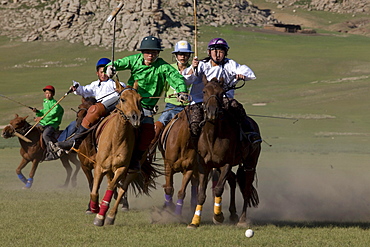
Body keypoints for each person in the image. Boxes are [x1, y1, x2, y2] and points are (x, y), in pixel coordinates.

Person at [104, 35, 189, 170]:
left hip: (146, 106)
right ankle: (77, 139)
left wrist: (182, 91)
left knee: (149, 131)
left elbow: (176, 77)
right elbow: (119, 63)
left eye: (154, 52)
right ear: (142, 52)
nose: (151, 55)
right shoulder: (134, 60)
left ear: (158, 53)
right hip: (127, 100)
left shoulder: (163, 66)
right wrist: (110, 67)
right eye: (148, 52)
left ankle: (136, 158)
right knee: (96, 110)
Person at [186, 37, 262, 144]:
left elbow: (245, 70)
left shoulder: (230, 64)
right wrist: (192, 68)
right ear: (209, 52)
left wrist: (241, 74)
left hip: (224, 100)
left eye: (221, 51)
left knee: (236, 107)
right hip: (200, 100)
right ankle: (191, 147)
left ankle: (250, 133)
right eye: (214, 51)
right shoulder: (201, 64)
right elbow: (187, 79)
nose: (217, 54)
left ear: (225, 53)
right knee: (194, 123)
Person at [52, 58, 126, 153]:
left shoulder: (114, 84)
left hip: (112, 110)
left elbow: (124, 90)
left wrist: (120, 89)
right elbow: (85, 90)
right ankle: (64, 144)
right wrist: (76, 88)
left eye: (105, 72)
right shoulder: (95, 85)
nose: (103, 74)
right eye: (101, 72)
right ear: (97, 73)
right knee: (77, 122)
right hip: (99, 111)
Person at [149, 40, 194, 154]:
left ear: (189, 55)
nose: (183, 57)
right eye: (180, 54)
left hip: (190, 108)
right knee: (157, 127)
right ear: (175, 55)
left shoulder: (195, 69)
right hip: (171, 106)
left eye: (186, 54)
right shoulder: (168, 68)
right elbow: (160, 88)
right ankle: (147, 154)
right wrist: (153, 104)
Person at [32, 85, 64, 161]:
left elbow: (52, 114)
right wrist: (38, 112)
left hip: (52, 124)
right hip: (44, 122)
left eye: (49, 93)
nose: (47, 95)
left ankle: (52, 150)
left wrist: (41, 118)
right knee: (33, 130)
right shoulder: (45, 102)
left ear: (53, 94)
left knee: (45, 135)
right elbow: (44, 111)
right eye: (46, 93)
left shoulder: (55, 104)